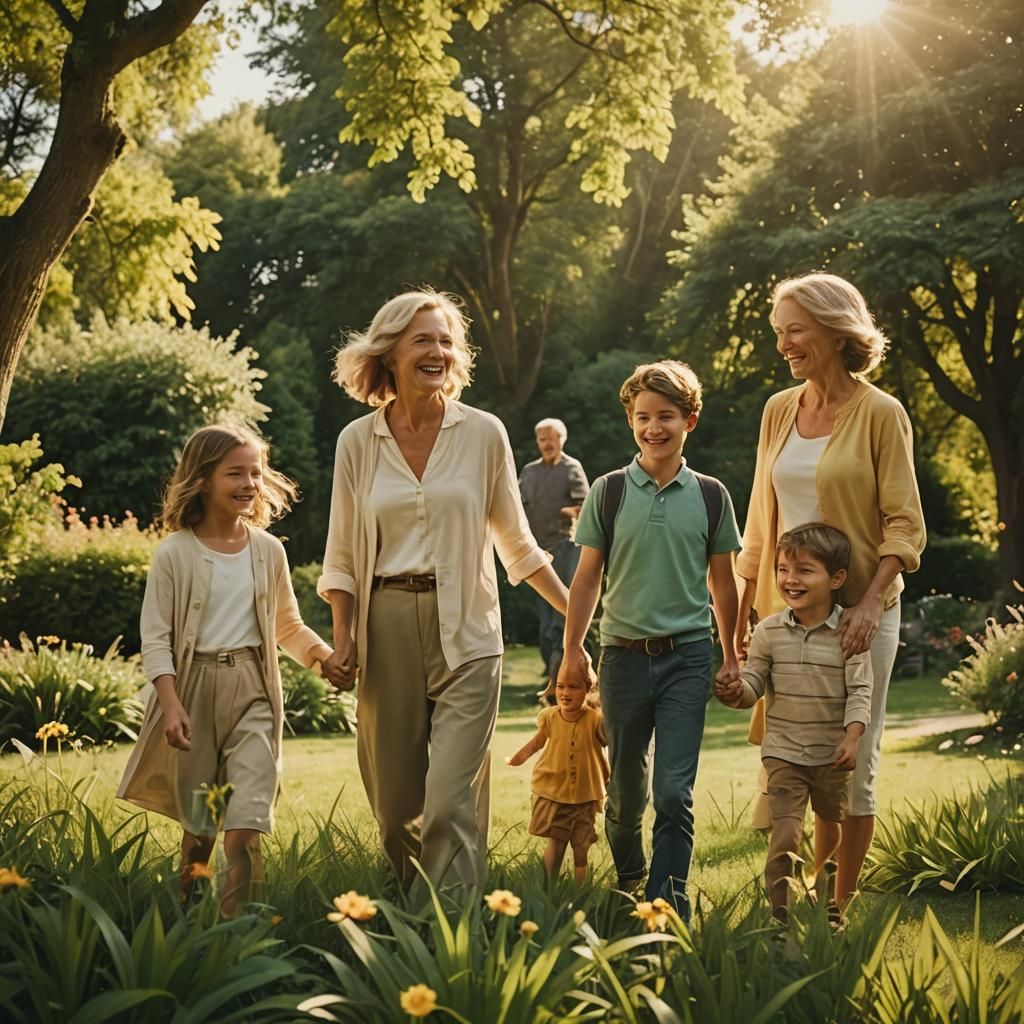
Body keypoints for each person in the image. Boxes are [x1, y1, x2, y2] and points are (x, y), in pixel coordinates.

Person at [318, 287, 570, 889]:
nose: (438, 350)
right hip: (387, 628)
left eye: (446, 341)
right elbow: (343, 553)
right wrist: (343, 638)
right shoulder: (358, 441)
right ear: (391, 353)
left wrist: (581, 617)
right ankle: (413, 925)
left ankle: (454, 943)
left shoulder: (484, 433)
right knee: (397, 812)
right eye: (422, 340)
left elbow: (518, 544)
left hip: (470, 630)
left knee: (450, 801)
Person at [736, 272, 925, 905]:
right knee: (799, 754)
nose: (784, 344)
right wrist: (743, 612)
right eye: (778, 332)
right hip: (787, 619)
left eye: (795, 330)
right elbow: (760, 522)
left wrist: (869, 603)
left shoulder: (880, 413)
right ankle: (806, 898)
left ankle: (834, 908)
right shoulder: (778, 410)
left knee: (850, 764)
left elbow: (905, 523)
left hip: (858, 619)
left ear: (834, 331)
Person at [117, 425, 339, 915]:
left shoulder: (268, 551)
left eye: (256, 472)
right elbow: (155, 639)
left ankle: (239, 932)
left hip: (253, 690)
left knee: (247, 820)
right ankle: (189, 921)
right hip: (192, 692)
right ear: (201, 480)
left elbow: (288, 625)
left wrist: (324, 658)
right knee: (200, 829)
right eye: (234, 472)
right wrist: (170, 704)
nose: (249, 483)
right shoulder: (175, 553)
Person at [559, 360, 741, 918]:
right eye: (643, 417)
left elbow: (723, 582)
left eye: (666, 416)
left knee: (673, 792)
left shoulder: (711, 496)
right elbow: (587, 577)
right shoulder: (608, 492)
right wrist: (572, 652)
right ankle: (632, 873)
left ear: (691, 420)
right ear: (630, 422)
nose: (653, 427)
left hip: (687, 656)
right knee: (626, 796)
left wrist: (731, 654)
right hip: (622, 660)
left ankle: (667, 903)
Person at [716, 524, 872, 926]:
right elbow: (755, 683)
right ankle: (780, 915)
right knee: (785, 835)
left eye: (804, 570)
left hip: (832, 756)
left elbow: (860, 692)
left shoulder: (849, 635)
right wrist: (736, 692)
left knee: (831, 831)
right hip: (784, 752)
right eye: (783, 569)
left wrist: (853, 738)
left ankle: (829, 908)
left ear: (836, 579)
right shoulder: (768, 631)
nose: (790, 579)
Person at [505, 669, 608, 882]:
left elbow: (609, 737)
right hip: (556, 792)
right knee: (556, 840)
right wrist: (516, 759)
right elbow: (536, 743)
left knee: (581, 847)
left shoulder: (594, 719)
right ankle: (548, 885)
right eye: (561, 686)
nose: (565, 692)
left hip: (585, 795)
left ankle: (581, 889)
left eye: (574, 687)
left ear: (588, 690)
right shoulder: (550, 717)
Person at [518, 418, 590, 693]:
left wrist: (566, 513)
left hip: (565, 548)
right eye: (542, 439)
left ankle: (559, 684)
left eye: (551, 438)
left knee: (562, 619)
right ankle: (555, 681)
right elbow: (515, 507)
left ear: (562, 439)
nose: (547, 444)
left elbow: (585, 509)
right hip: (535, 553)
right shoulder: (529, 471)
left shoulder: (572, 468)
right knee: (545, 622)